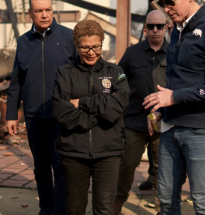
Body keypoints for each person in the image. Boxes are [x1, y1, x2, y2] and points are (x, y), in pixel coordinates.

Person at [143, 0, 205, 214]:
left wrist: (174, 98)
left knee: (202, 203)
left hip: (201, 130)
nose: (166, 9)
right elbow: (180, 81)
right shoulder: (176, 31)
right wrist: (162, 110)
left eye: (171, 3)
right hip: (170, 127)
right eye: (162, 3)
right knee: (166, 200)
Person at [51, 19, 130, 214]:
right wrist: (102, 114)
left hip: (108, 152)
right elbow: (63, 113)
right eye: (85, 47)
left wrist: (83, 102)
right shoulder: (64, 74)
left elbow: (119, 106)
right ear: (76, 45)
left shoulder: (115, 72)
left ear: (102, 43)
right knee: (75, 208)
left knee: (104, 209)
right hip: (74, 152)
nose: (91, 52)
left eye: (96, 46)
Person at [6, 0, 76, 214]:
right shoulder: (24, 41)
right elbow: (17, 80)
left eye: (48, 10)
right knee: (41, 167)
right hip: (34, 115)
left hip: (61, 115)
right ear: (30, 14)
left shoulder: (68, 37)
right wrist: (11, 114)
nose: (44, 15)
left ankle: (61, 209)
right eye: (39, 11)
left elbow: (80, 75)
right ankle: (46, 208)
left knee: (60, 166)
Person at [114, 10, 168, 215]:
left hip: (163, 123)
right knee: (127, 164)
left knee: (164, 170)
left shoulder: (174, 54)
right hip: (134, 122)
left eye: (159, 26)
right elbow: (117, 79)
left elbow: (179, 87)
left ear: (166, 28)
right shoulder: (132, 53)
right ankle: (118, 201)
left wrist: (163, 111)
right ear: (145, 28)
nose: (155, 30)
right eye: (151, 26)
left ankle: (163, 207)